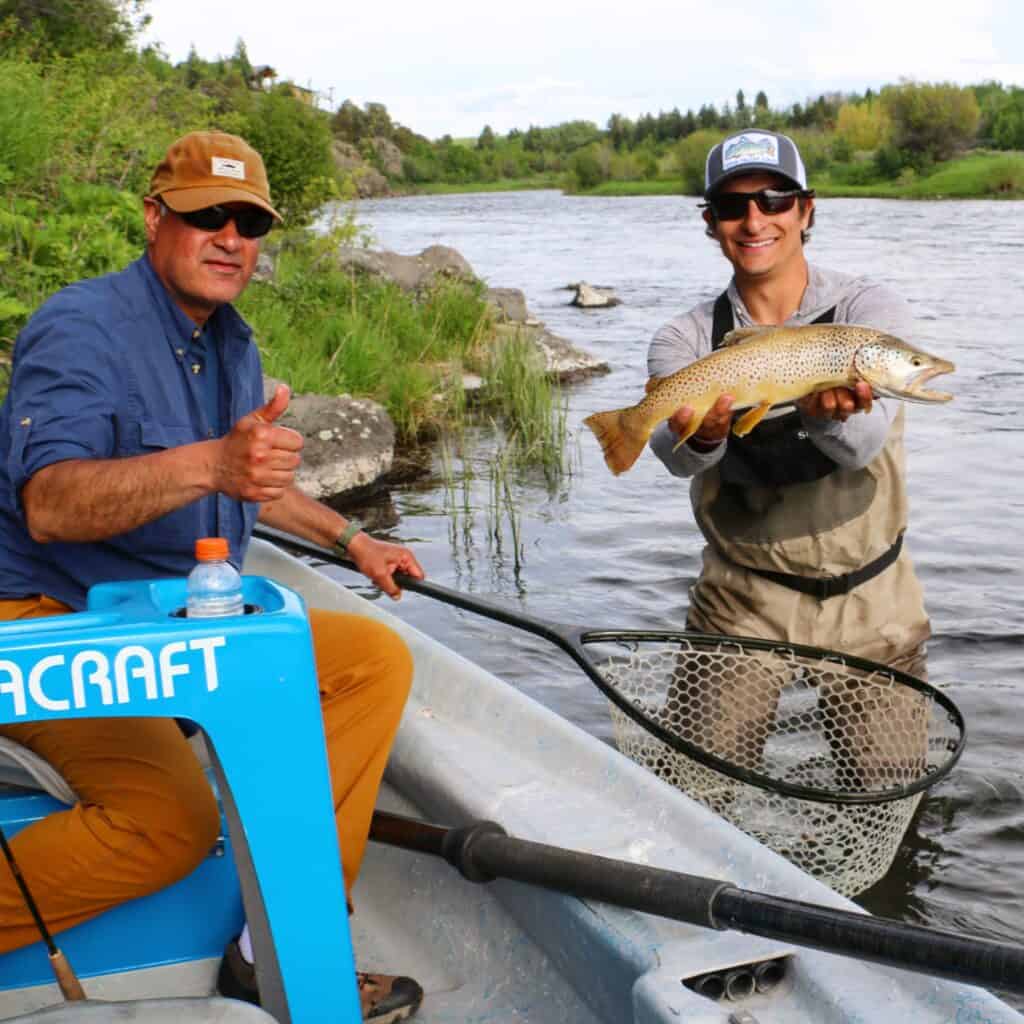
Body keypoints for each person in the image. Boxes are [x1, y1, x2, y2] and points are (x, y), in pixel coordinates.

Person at [0, 131, 425, 1022]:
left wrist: (351, 539)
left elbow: (249, 477)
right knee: (169, 823)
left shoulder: (230, 339)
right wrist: (210, 466)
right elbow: (51, 505)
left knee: (370, 663)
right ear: (155, 218)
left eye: (250, 221)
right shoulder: (81, 328)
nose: (231, 237)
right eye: (206, 216)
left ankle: (265, 944)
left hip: (171, 611)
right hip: (46, 618)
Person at [646, 130, 931, 773]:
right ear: (710, 223)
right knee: (697, 788)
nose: (755, 220)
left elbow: (861, 448)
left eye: (775, 200)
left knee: (888, 793)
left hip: (874, 598)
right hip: (739, 601)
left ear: (806, 211)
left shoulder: (868, 312)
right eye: (732, 206)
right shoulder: (685, 337)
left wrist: (820, 413)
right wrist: (709, 433)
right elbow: (674, 455)